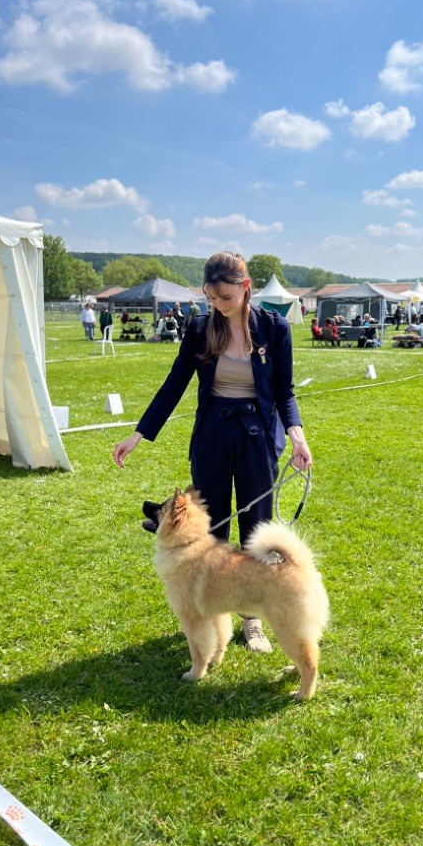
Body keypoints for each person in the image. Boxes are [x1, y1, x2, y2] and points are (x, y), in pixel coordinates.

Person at [113, 250, 312, 653]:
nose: (218, 307)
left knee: (257, 529)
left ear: (245, 288)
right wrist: (139, 434)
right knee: (212, 529)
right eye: (211, 299)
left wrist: (297, 436)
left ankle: (252, 619)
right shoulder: (200, 328)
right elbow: (174, 384)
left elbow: (285, 392)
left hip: (257, 435)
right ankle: (214, 615)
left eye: (225, 298)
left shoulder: (274, 329)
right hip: (213, 436)